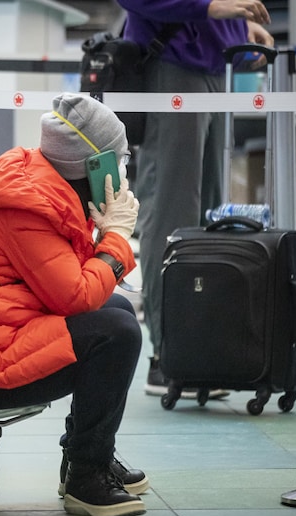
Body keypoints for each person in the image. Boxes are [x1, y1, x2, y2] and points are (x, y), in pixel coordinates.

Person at [0, 93, 147, 516]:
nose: (124, 170)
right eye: (119, 160)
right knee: (117, 335)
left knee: (116, 310)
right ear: (95, 166)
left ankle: (86, 454)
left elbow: (64, 281)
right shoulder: (29, 208)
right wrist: (115, 239)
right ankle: (86, 476)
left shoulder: (40, 186)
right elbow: (73, 295)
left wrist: (98, 231)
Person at [114, 0, 273, 396]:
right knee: (173, 213)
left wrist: (237, 31)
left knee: (209, 218)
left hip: (213, 68)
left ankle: (200, 351)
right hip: (171, 66)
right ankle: (168, 356)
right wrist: (214, 9)